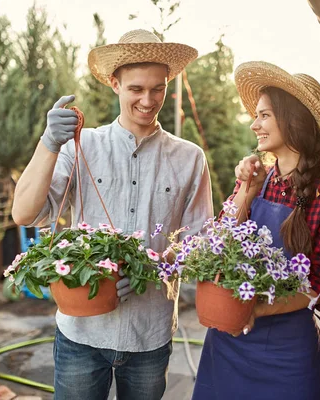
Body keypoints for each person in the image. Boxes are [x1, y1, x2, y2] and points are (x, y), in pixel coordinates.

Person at [12, 29, 213, 400]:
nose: (148, 100)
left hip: (149, 333)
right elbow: (25, 213)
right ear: (114, 83)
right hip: (81, 334)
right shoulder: (81, 145)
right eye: (136, 88)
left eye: (158, 88)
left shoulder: (190, 158)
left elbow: (198, 241)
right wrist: (48, 144)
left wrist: (159, 265)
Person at [192, 61, 320, 400]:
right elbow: (219, 242)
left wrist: (249, 310)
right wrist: (246, 191)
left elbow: (318, 288)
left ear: (294, 119)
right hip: (228, 345)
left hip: (286, 355)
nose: (254, 124)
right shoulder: (258, 180)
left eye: (264, 115)